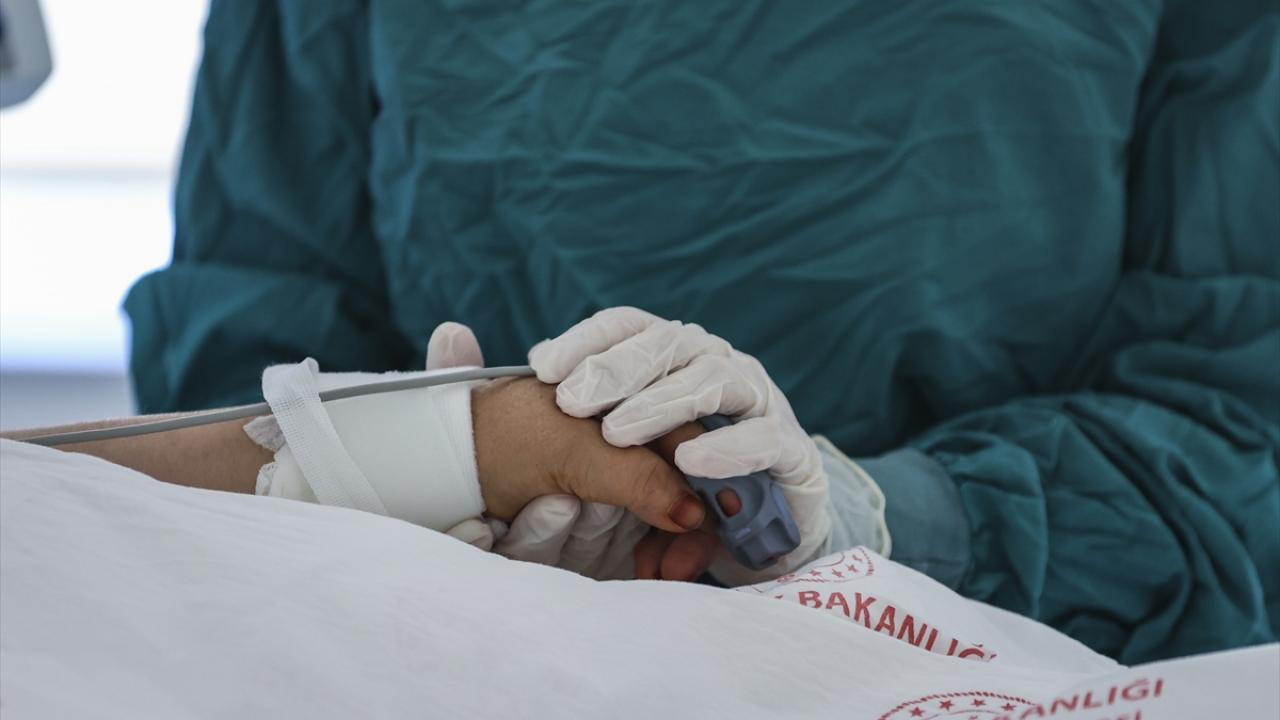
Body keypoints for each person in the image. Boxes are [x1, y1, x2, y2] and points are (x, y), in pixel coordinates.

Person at [121, 1, 1278, 663]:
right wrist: (407, 478)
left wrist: (879, 519)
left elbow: (1239, 420)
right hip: (453, 666)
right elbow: (240, 364)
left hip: (1003, 659)